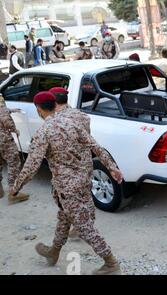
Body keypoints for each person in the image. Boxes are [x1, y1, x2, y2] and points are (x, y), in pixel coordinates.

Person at [10, 91, 123, 275]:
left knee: (84, 227)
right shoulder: (73, 123)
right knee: (64, 217)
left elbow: (31, 166)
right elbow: (95, 146)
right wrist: (112, 167)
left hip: (67, 187)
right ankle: (53, 251)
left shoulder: (44, 132)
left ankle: (111, 262)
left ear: (39, 110)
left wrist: (16, 187)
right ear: (55, 105)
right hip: (84, 180)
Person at [50, 86, 91, 239]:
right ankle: (87, 224)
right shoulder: (81, 115)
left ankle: (80, 229)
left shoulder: (57, 120)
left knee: (67, 202)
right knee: (85, 195)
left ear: (54, 102)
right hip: (85, 162)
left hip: (69, 167)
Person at [0, 96, 30, 205]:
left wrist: (9, 110)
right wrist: (14, 129)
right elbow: (5, 120)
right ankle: (13, 193)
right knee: (14, 163)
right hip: (4, 140)